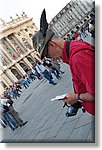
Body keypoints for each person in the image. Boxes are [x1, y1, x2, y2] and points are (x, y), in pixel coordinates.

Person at [32, 9, 95, 115]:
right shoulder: (74, 48)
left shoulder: (78, 58)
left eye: (48, 55)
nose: (52, 59)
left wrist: (76, 97)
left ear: (52, 45)